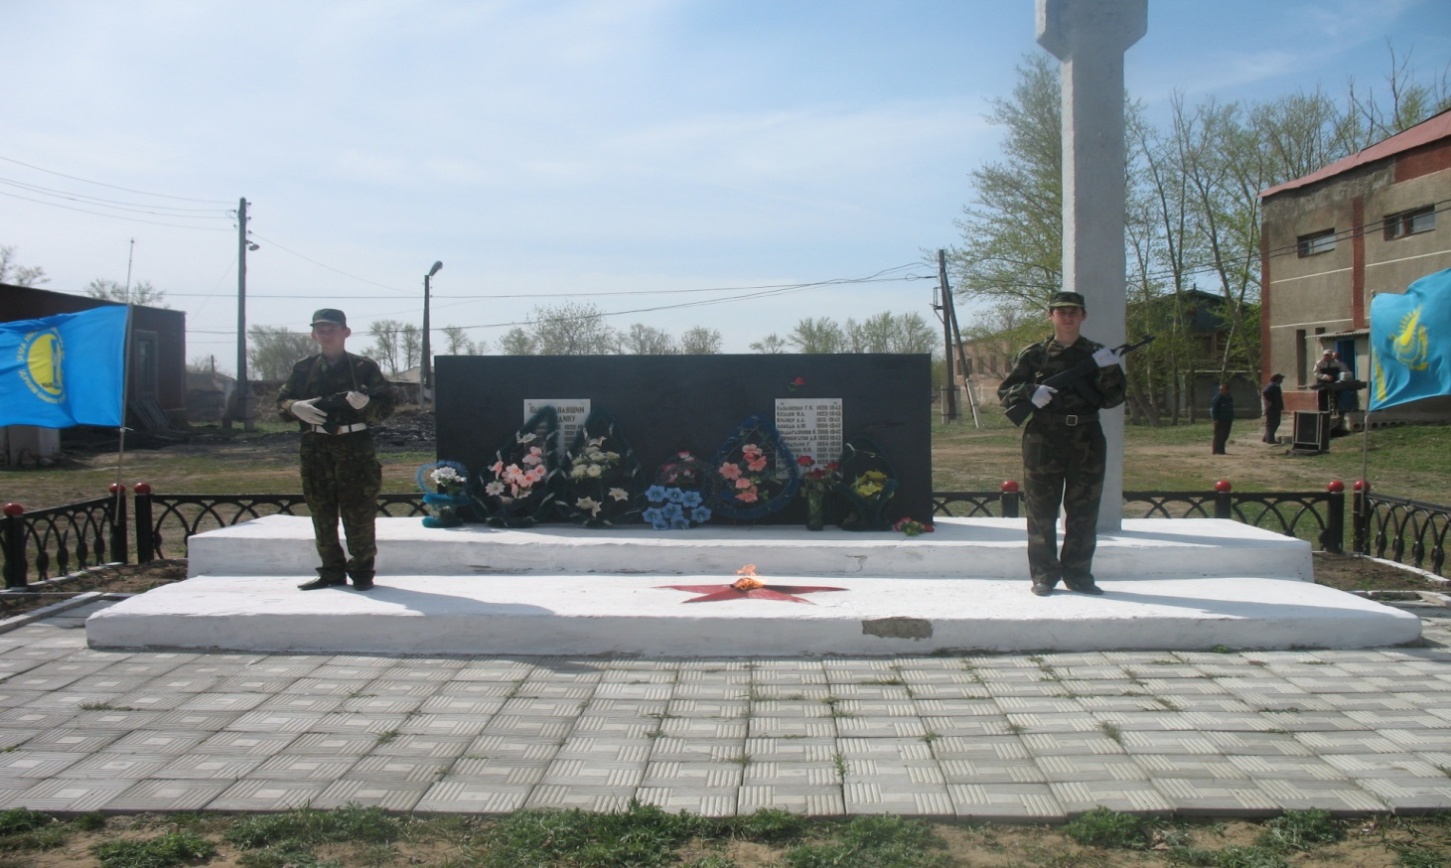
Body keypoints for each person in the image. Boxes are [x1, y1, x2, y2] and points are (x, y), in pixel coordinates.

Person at [998, 291, 1126, 597]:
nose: (1067, 317)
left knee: (1084, 510)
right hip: (1044, 436)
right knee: (1041, 509)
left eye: (1073, 312)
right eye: (1061, 312)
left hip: (1086, 437)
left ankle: (1079, 574)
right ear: (1050, 316)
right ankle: (1044, 574)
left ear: (1083, 316)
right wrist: (1030, 391)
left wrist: (1108, 368)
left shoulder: (1097, 354)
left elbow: (1113, 398)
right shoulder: (1035, 355)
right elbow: (1006, 392)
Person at [277, 309, 396, 591]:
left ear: (346, 332)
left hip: (354, 446)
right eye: (321, 329)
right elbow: (282, 402)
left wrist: (366, 407)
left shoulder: (363, 368)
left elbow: (386, 408)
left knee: (359, 511)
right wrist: (295, 407)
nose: (326, 334)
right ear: (313, 334)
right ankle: (331, 570)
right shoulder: (303, 368)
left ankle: (362, 571)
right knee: (321, 509)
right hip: (316, 446)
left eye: (332, 329)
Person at [1210, 383, 1234, 454]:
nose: (1221, 391)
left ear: (1227, 390)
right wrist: (1215, 419)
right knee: (1218, 436)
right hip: (1220, 420)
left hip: (1228, 419)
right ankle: (1216, 450)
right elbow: (1214, 410)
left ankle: (1221, 450)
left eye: (1223, 390)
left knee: (1225, 435)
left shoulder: (1229, 398)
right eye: (1220, 390)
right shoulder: (1217, 399)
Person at [1261, 373, 1284, 444]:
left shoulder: (1275, 386)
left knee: (1272, 423)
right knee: (1273, 423)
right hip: (1272, 408)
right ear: (1277, 379)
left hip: (1275, 408)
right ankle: (1270, 439)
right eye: (1281, 379)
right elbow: (1265, 392)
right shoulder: (1273, 385)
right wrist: (1270, 401)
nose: (1282, 381)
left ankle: (1266, 437)